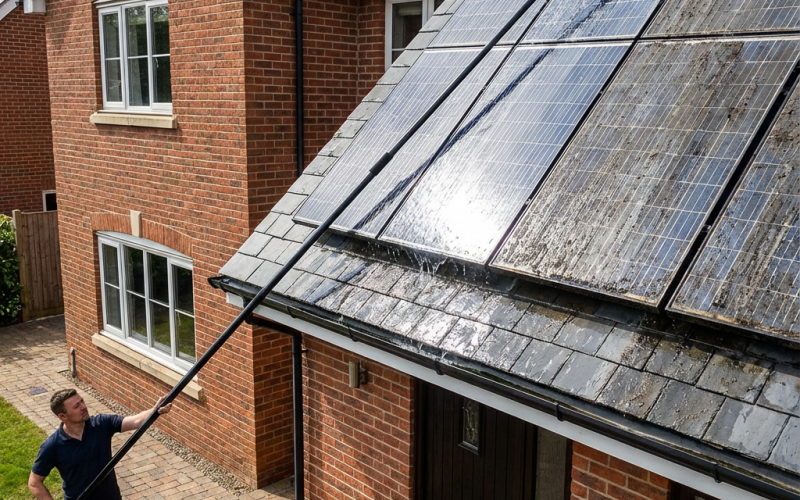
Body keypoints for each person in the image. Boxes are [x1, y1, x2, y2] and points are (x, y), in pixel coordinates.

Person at [28, 389, 172, 500]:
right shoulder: (52, 446)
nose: (83, 407)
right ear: (63, 416)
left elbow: (135, 421)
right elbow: (34, 483)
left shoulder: (101, 424)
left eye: (82, 401)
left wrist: (155, 410)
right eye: (77, 406)